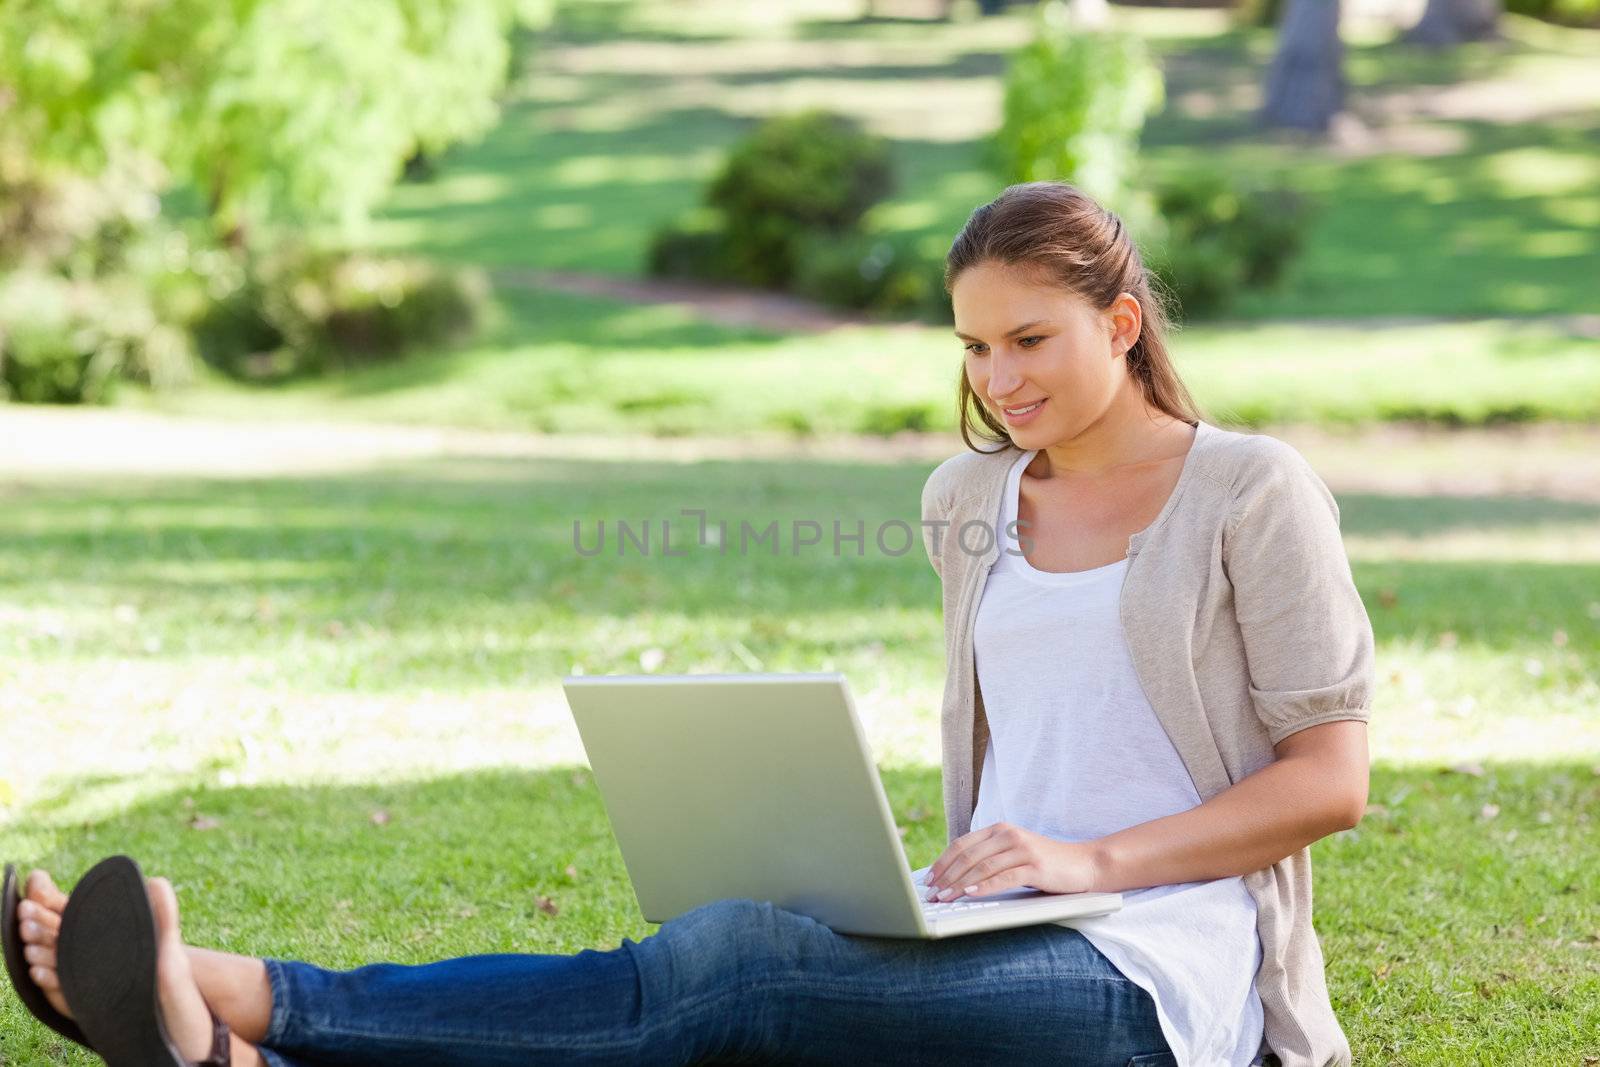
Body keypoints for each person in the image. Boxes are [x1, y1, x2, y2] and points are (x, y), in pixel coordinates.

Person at [7, 180, 1372, 1067]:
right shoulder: (968, 496)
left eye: (1032, 340)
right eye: (972, 345)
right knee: (729, 959)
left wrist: (1092, 858)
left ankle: (248, 995)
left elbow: (1332, 780)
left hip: (1158, 983)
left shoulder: (1251, 490)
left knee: (732, 976)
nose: (998, 378)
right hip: (994, 928)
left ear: (1121, 323)